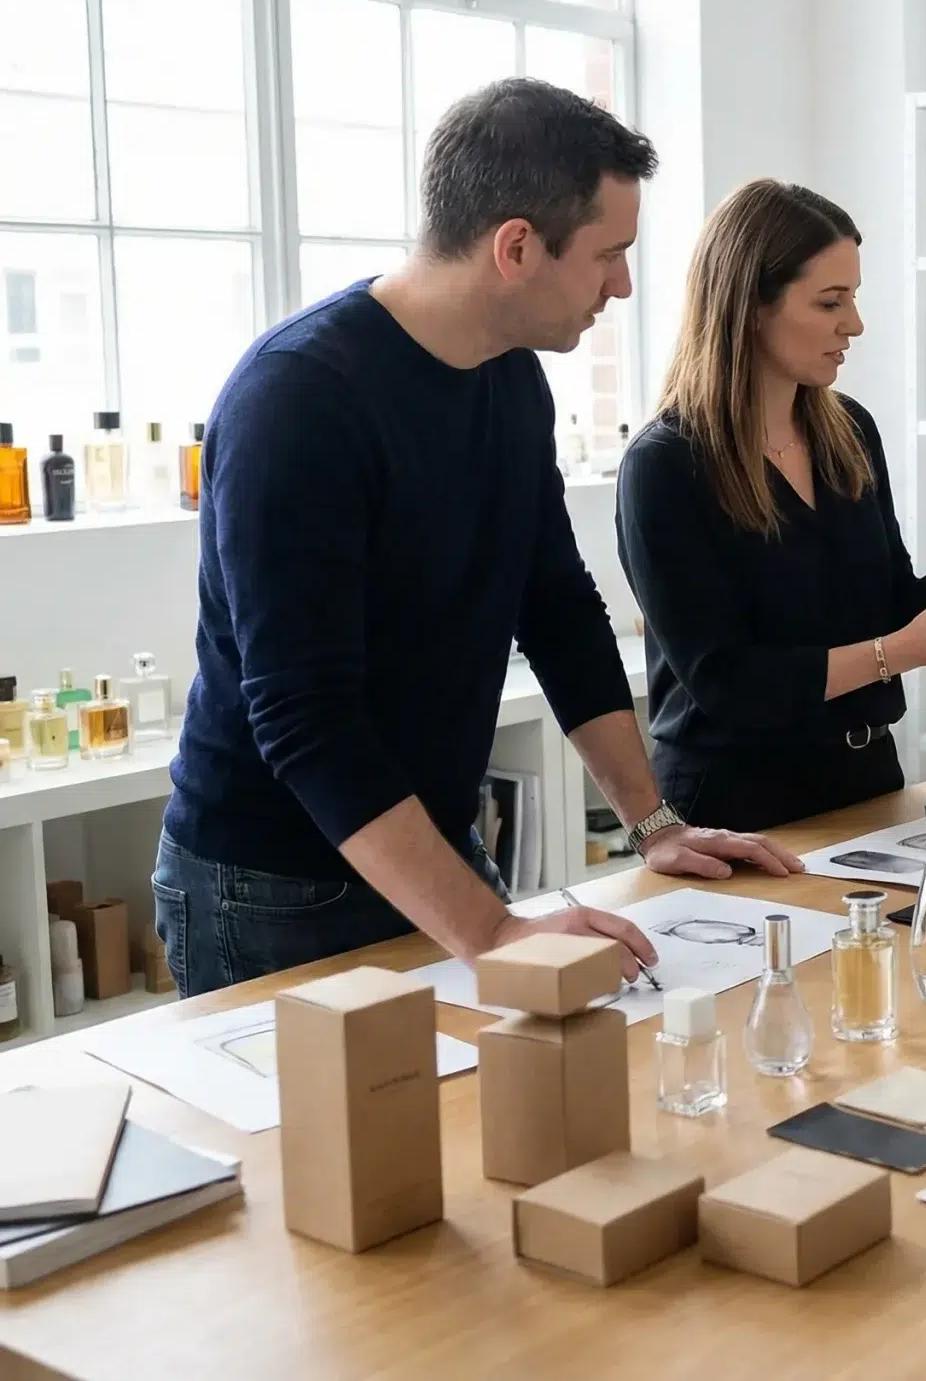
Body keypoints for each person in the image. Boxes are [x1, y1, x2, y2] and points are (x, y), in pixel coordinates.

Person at [157, 79, 802, 999]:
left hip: (432, 839)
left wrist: (654, 821)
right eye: (608, 255)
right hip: (272, 881)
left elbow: (557, 607)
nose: (622, 285)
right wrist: (494, 930)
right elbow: (307, 719)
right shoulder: (298, 403)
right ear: (515, 247)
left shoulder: (510, 380)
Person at [617, 179, 926, 831]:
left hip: (868, 782)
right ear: (749, 304)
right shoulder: (665, 466)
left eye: (853, 298)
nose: (854, 324)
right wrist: (902, 652)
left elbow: (884, 604)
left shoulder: (850, 432)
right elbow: (727, 681)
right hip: (735, 809)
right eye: (831, 302)